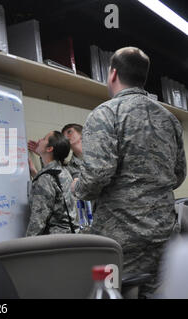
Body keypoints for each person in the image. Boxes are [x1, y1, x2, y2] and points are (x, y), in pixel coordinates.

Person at [71, 47, 186, 298]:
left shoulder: (105, 113)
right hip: (164, 234)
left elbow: (96, 176)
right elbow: (179, 174)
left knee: (113, 293)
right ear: (143, 77)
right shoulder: (169, 119)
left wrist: (77, 187)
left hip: (121, 239)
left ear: (112, 74)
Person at [27, 131, 77, 235]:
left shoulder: (46, 178)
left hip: (54, 241)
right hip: (70, 237)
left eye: (44, 139)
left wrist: (25, 246)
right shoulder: (64, 172)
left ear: (49, 149)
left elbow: (38, 220)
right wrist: (34, 172)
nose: (39, 140)